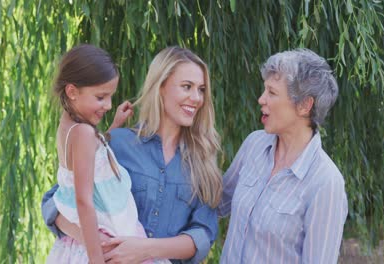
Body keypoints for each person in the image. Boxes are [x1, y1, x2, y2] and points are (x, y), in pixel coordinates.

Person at [42, 46, 222, 263]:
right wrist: (98, 242)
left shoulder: (204, 162)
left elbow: (202, 235)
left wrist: (145, 249)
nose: (196, 98)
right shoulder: (117, 144)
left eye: (201, 89)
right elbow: (57, 202)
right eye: (187, 87)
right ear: (161, 87)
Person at [218, 49, 348, 263]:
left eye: (272, 92)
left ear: (304, 105)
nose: (261, 99)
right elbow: (216, 203)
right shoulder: (254, 144)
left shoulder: (326, 182)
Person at [45, 44, 167, 263]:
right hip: (103, 242)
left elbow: (94, 158)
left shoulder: (70, 127)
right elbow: (84, 201)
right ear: (72, 91)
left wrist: (114, 126)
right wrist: (97, 259)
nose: (109, 105)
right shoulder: (82, 133)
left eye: (110, 97)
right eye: (101, 97)